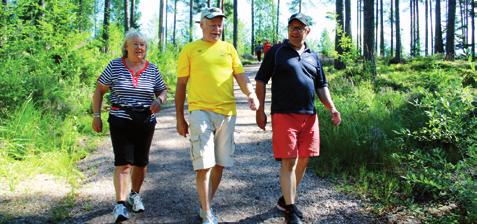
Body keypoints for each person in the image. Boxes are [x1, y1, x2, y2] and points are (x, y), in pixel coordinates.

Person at [255, 13, 341, 224]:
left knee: (304, 158)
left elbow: (321, 86)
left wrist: (332, 108)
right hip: (283, 114)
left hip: (309, 116)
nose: (295, 31)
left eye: (300, 28)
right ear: (288, 30)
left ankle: (286, 200)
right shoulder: (276, 52)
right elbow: (260, 81)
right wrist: (260, 110)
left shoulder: (313, 56)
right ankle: (291, 211)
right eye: (292, 27)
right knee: (289, 160)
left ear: (307, 31)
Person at [175, 7, 259, 224]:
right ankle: (208, 214)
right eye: (212, 24)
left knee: (220, 164)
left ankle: (205, 207)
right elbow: (181, 85)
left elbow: (240, 76)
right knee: (204, 164)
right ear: (201, 24)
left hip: (227, 113)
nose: (217, 28)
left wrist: (251, 94)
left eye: (220, 24)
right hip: (200, 111)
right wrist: (179, 117)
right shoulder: (190, 50)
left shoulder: (229, 49)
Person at [92, 29, 167, 223]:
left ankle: (134, 194)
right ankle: (120, 204)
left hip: (146, 120)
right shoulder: (115, 66)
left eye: (142, 44)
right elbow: (99, 90)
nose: (139, 47)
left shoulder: (152, 69)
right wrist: (96, 115)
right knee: (124, 163)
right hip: (120, 118)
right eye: (135, 44)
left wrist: (159, 99)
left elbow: (162, 90)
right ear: (126, 47)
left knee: (141, 163)